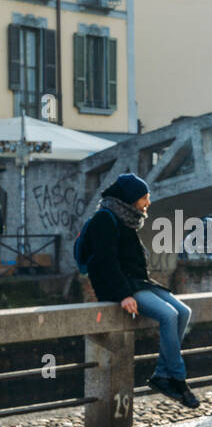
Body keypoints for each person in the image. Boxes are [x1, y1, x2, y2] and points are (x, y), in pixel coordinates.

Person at [83, 173, 199, 408]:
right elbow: (105, 262)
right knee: (168, 315)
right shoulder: (104, 219)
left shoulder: (127, 218)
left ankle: (161, 375)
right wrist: (123, 295)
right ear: (130, 198)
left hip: (140, 282)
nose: (148, 203)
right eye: (145, 198)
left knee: (183, 311)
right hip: (122, 286)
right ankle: (177, 378)